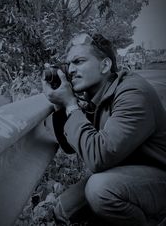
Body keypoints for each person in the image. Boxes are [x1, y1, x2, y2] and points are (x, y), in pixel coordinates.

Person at [42, 32, 166, 226]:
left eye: (79, 61)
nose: (71, 70)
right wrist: (60, 105)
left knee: (100, 190)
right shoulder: (99, 96)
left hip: (159, 177)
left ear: (105, 65)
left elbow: (98, 157)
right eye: (69, 65)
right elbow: (68, 146)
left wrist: (71, 105)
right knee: (65, 209)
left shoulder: (132, 93)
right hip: (128, 172)